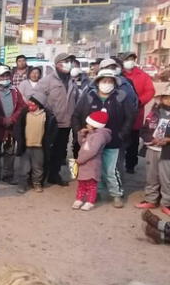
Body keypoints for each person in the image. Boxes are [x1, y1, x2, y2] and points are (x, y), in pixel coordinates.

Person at [72, 69, 132, 208]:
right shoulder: (88, 96)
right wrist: (79, 132)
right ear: (98, 82)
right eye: (104, 81)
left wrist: (122, 134)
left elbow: (130, 117)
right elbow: (76, 115)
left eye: (110, 81)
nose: (107, 84)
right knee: (95, 169)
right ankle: (96, 192)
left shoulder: (121, 96)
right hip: (92, 142)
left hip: (113, 141)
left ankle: (116, 194)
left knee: (111, 170)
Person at [34, 53, 79, 186]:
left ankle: (55, 175)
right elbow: (36, 99)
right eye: (65, 61)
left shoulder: (72, 80)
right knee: (46, 151)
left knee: (60, 151)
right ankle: (41, 177)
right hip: (51, 123)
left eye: (70, 61)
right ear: (57, 64)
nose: (68, 64)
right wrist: (48, 113)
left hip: (67, 123)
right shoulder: (47, 81)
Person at [14, 92, 58, 193]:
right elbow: (18, 128)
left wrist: (49, 142)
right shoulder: (25, 114)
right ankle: (22, 184)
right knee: (24, 168)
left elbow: (52, 131)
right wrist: (19, 140)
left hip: (39, 147)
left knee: (38, 167)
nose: (30, 105)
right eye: (29, 102)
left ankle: (37, 183)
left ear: (39, 104)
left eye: (33, 103)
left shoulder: (47, 115)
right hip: (26, 146)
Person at [136, 87, 170, 215]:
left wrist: (168, 139)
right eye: (166, 97)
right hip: (152, 148)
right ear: (161, 98)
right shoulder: (154, 113)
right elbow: (144, 130)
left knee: (167, 178)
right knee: (151, 176)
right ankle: (151, 199)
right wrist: (151, 139)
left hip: (167, 151)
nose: (168, 100)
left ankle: (167, 203)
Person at [0, 65, 26, 184]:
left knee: (9, 152)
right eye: (1, 76)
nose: (4, 78)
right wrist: (2, 120)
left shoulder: (15, 90)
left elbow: (21, 106)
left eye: (6, 75)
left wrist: (13, 118)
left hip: (11, 127)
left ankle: (8, 175)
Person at [122, 52, 156, 174]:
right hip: (119, 114)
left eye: (132, 59)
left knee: (133, 141)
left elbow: (150, 91)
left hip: (136, 114)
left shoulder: (142, 75)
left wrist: (139, 101)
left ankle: (130, 165)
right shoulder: (119, 74)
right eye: (127, 59)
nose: (130, 61)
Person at [73, 110, 111, 211]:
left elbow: (92, 151)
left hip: (91, 163)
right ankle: (79, 199)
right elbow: (83, 144)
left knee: (91, 184)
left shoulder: (99, 136)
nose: (86, 124)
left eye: (88, 123)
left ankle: (90, 201)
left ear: (95, 124)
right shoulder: (91, 133)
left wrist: (80, 160)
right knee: (81, 182)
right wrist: (81, 134)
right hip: (84, 163)